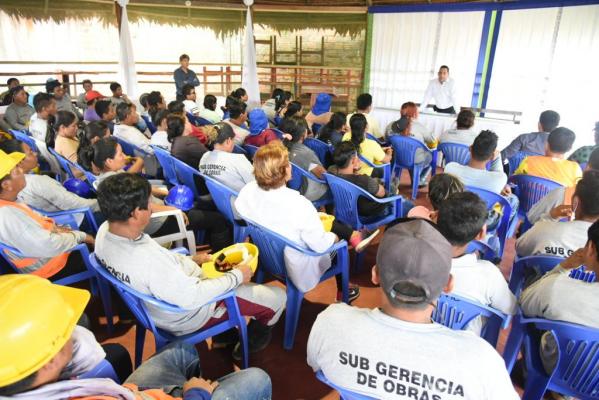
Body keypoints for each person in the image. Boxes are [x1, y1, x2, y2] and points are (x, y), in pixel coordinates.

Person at [307, 219, 518, 399]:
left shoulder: (330, 322)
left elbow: (317, 365)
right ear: (448, 285)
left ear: (375, 275)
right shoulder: (482, 363)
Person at [95, 172, 285, 358]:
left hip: (158, 305)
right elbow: (191, 297)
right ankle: (249, 343)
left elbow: (161, 262)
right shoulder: (148, 262)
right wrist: (237, 277)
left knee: (219, 272)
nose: (152, 209)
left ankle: (224, 335)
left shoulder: (105, 232)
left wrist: (191, 260)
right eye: (148, 204)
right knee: (278, 298)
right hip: (187, 313)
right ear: (136, 213)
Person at [0, 274, 273, 399]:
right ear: (46, 361)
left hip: (131, 394)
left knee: (181, 350)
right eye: (63, 328)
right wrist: (196, 395)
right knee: (257, 379)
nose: (73, 329)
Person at [235, 141, 379, 302]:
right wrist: (334, 238)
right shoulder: (299, 204)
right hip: (296, 264)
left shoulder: (248, 190)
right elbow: (320, 246)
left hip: (267, 255)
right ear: (283, 170)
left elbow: (240, 214)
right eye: (288, 163)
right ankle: (343, 292)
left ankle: (352, 235)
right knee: (339, 247)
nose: (290, 166)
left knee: (323, 222)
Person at [0, 149, 95, 280]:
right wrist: (83, 236)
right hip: (51, 267)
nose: (21, 171)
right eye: (16, 170)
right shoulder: (8, 216)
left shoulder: (10, 200)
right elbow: (49, 245)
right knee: (102, 250)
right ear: (6, 185)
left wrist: (58, 229)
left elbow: (38, 223)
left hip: (47, 252)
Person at [519, 220, 599, 373]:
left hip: (560, 368)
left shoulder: (557, 287)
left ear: (590, 248)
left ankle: (529, 376)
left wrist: (562, 268)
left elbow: (524, 301)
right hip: (595, 383)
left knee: (535, 322)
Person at [436, 192, 517, 334]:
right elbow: (510, 308)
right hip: (465, 345)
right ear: (481, 234)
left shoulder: (415, 258)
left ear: (436, 219)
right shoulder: (489, 274)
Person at [0, 139, 99, 218]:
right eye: (30, 152)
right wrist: (100, 203)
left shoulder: (12, 187)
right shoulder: (38, 182)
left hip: (52, 216)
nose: (35, 154)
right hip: (75, 218)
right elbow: (74, 204)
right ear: (19, 162)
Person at [516, 170, 599, 257]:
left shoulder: (545, 230)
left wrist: (549, 218)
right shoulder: (593, 250)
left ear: (575, 202)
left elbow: (519, 246)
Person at [444, 130, 519, 220]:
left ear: (470, 148)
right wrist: (497, 157)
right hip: (482, 221)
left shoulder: (450, 168)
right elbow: (498, 173)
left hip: (454, 214)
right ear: (491, 156)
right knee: (513, 199)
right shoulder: (500, 179)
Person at [527, 147, 599, 225]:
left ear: (587, 167)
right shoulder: (574, 168)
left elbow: (532, 217)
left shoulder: (561, 194)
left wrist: (551, 216)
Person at [332, 141, 391, 218]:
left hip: (346, 208)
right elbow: (382, 193)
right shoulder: (363, 180)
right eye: (357, 157)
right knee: (391, 193)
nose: (359, 160)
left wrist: (355, 170)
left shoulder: (331, 172)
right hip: (366, 212)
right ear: (353, 161)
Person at [514, 127, 582, 186]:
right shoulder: (575, 168)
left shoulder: (529, 161)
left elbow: (514, 179)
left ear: (546, 144)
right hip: (558, 201)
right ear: (569, 148)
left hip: (527, 200)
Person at [281, 116, 328, 202]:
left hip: (289, 187)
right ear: (305, 133)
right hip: (305, 193)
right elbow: (324, 176)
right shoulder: (306, 153)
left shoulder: (280, 146)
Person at [200, 123, 254, 192]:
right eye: (233, 140)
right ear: (228, 141)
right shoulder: (239, 160)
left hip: (218, 199)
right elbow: (256, 184)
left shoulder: (204, 158)